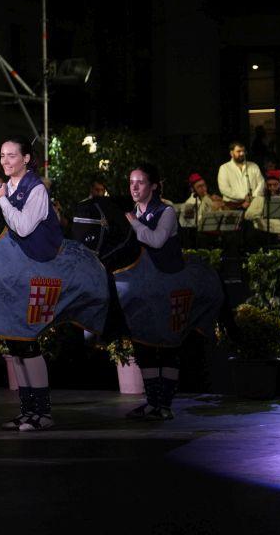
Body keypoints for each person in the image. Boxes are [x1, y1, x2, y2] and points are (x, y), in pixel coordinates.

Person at [0, 137, 62, 432]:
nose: (5, 161)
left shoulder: (36, 189)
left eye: (11, 156)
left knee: (28, 343)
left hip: (38, 270)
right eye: (2, 156)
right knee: (15, 343)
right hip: (15, 271)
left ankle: (43, 413)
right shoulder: (7, 188)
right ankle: (27, 411)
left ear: (26, 159)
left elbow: (22, 227)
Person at [124, 162, 184, 420]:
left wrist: (134, 224)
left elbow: (157, 240)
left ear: (153, 186)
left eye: (140, 182)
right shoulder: (132, 212)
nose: (134, 187)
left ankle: (165, 405)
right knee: (144, 344)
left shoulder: (166, 211)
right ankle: (152, 403)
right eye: (131, 182)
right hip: (143, 286)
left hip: (168, 284)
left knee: (168, 345)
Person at [217, 141, 263, 210]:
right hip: (232, 206)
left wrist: (253, 197)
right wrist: (243, 197)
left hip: (253, 204)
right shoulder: (224, 168)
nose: (242, 153)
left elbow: (261, 183)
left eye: (243, 151)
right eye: (238, 151)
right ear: (231, 153)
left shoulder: (254, 166)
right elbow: (224, 189)